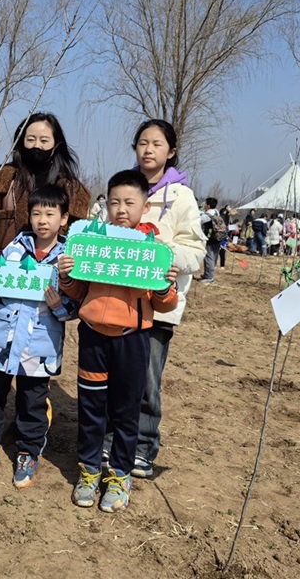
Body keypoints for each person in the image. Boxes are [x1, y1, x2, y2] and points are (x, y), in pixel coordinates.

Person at [59, 170, 179, 513]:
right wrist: (67, 275)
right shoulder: (92, 243)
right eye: (114, 202)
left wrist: (162, 287)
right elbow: (79, 290)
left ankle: (120, 475)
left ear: (145, 205)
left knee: (126, 413)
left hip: (133, 341)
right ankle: (89, 471)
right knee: (92, 409)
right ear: (106, 205)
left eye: (129, 202)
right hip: (93, 339)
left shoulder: (153, 250)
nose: (121, 209)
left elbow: (165, 304)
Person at [0, 185, 78, 489]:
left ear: (64, 219)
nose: (42, 220)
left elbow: (75, 307)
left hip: (39, 348)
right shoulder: (12, 249)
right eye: (36, 213)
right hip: (1, 342)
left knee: (32, 401)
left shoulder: (68, 261)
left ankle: (28, 453)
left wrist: (59, 306)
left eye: (50, 213)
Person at [101, 119, 204, 479]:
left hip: (159, 305)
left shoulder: (181, 196)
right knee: (115, 377)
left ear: (171, 151)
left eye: (157, 144)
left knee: (145, 380)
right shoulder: (122, 187)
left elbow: (197, 253)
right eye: (142, 143)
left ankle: (143, 446)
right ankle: (110, 440)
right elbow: (102, 238)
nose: (148, 150)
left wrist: (162, 252)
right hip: (118, 303)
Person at [0, 112, 90, 256]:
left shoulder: (73, 189)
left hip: (52, 271)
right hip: (3, 265)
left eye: (44, 140)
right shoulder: (1, 177)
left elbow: (77, 236)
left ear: (56, 145)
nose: (36, 145)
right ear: (21, 141)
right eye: (31, 139)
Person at [199, 197, 223, 282]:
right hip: (218, 237)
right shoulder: (217, 212)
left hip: (209, 238)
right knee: (214, 256)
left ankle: (209, 277)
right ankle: (207, 274)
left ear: (208, 206)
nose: (204, 205)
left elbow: (199, 221)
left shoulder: (207, 215)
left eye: (205, 204)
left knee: (208, 257)